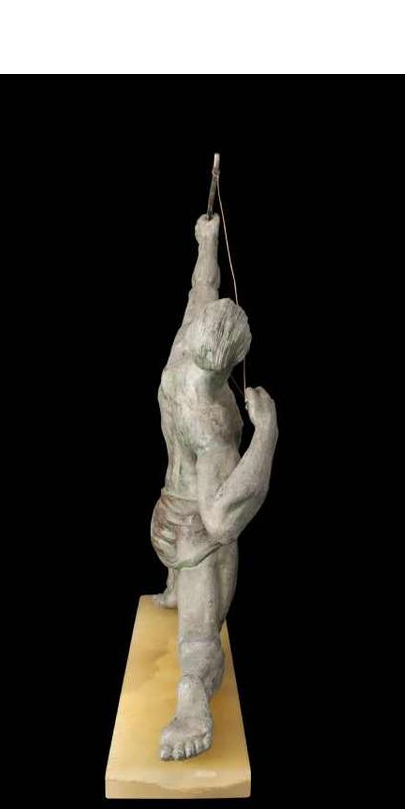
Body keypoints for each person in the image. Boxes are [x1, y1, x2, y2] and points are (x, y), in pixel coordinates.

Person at [149, 211, 278, 761]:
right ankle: (191, 702)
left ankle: (175, 592)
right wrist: (267, 434)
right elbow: (222, 518)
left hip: (162, 521)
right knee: (202, 641)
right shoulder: (216, 427)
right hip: (194, 542)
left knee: (190, 543)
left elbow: (202, 287)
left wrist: (206, 242)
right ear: (235, 357)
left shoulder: (181, 352)